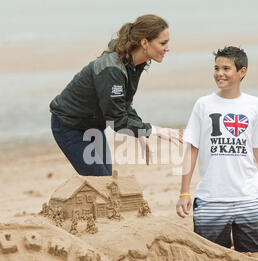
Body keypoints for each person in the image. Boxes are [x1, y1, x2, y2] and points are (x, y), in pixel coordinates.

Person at [176, 46, 258, 252]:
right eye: (216, 68)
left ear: (242, 72)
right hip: (211, 200)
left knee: (255, 255)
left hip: (250, 199)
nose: (219, 74)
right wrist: (183, 193)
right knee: (211, 258)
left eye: (226, 68)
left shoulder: (254, 104)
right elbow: (192, 150)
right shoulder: (203, 104)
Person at [50, 14, 182, 176]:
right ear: (145, 42)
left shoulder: (135, 63)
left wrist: (140, 132)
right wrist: (154, 130)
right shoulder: (112, 70)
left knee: (105, 180)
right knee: (101, 183)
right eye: (163, 43)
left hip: (93, 127)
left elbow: (124, 105)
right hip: (69, 126)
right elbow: (117, 121)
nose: (167, 48)